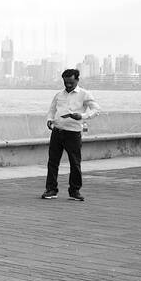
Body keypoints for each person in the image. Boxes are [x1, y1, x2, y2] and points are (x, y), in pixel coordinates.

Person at [42, 67, 100, 202]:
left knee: (75, 163)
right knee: (52, 162)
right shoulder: (59, 95)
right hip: (57, 131)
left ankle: (74, 191)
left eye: (71, 82)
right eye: (66, 82)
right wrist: (49, 120)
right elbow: (52, 110)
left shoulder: (84, 94)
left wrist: (82, 116)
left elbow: (96, 110)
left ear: (77, 80)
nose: (68, 85)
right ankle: (51, 189)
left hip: (73, 133)